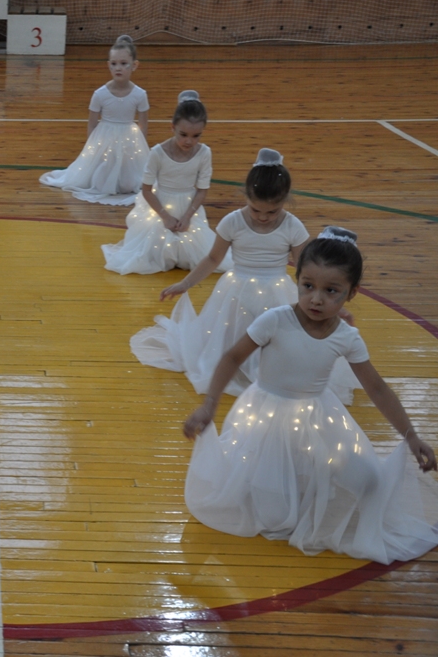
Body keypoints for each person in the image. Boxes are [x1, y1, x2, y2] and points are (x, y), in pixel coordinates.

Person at [182, 227, 438, 564]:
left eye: (331, 291)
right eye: (308, 286)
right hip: (265, 416)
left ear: (352, 293)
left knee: (369, 481)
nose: (316, 299)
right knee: (273, 507)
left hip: (317, 416)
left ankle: (306, 481)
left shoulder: (347, 337)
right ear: (297, 280)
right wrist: (208, 406)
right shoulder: (276, 320)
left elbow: (377, 388)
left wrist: (411, 435)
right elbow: (232, 357)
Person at [131, 148, 357, 402]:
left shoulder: (293, 226)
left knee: (276, 338)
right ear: (246, 197)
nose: (263, 217)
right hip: (236, 291)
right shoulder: (232, 222)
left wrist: (331, 306)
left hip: (277, 291)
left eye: (272, 212)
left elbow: (307, 271)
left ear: (285, 201)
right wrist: (185, 283)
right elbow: (213, 259)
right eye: (255, 210)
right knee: (233, 335)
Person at [102, 90, 231, 274]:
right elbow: (146, 190)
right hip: (160, 207)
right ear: (172, 127)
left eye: (196, 136)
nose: (189, 141)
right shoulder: (158, 152)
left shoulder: (204, 153)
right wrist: (165, 216)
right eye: (183, 134)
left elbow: (202, 190)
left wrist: (187, 217)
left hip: (189, 208)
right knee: (150, 254)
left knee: (200, 255)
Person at [39, 34, 151, 205]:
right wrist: (91, 150)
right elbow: (92, 124)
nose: (118, 68)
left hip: (129, 141)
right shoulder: (100, 94)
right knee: (100, 180)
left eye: (124, 63)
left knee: (129, 183)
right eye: (114, 64)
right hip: (104, 140)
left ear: (134, 65)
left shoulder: (140, 95)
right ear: (108, 65)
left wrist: (140, 149)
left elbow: (143, 125)